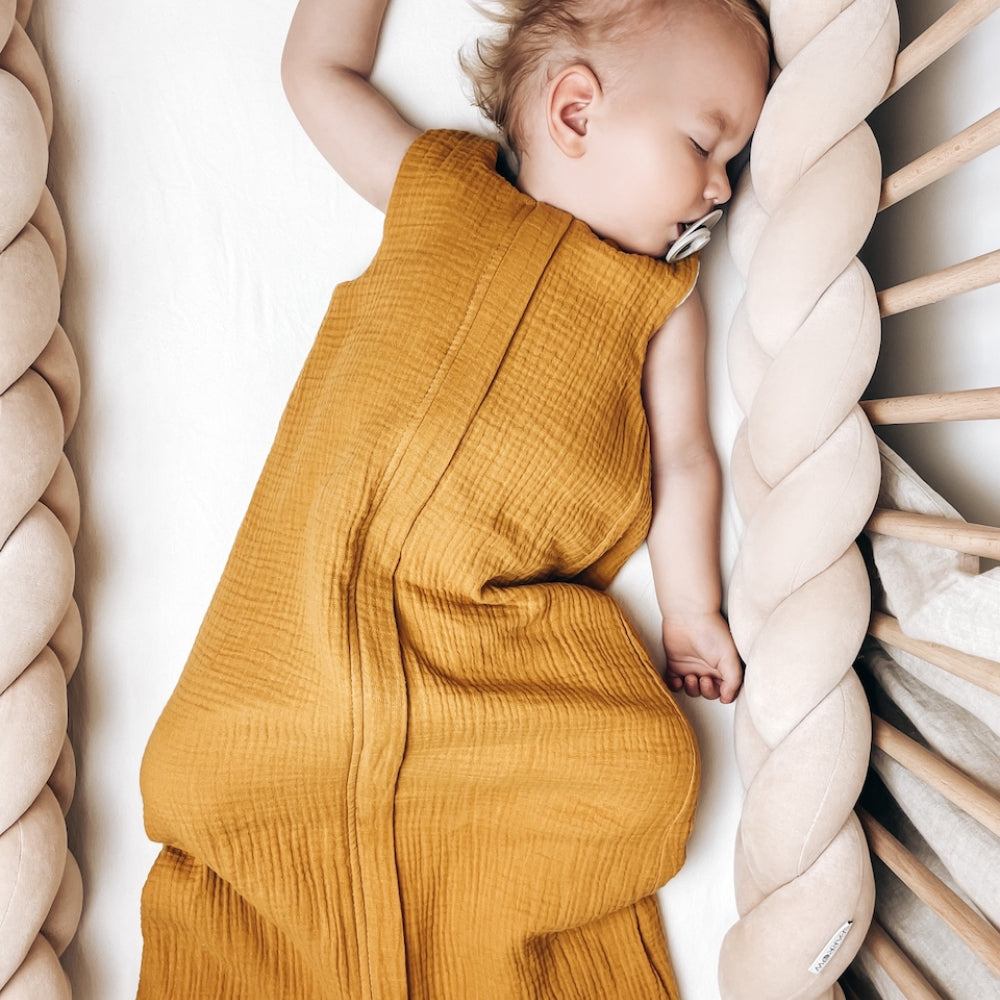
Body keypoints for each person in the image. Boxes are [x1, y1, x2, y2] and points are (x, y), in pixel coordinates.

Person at [137, 1, 769, 997]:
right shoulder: (435, 186)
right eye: (704, 144)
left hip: (493, 652)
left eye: (732, 160)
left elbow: (685, 459)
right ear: (574, 111)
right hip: (309, 623)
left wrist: (691, 615)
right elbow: (317, 73)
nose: (722, 187)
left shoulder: (662, 301)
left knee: (650, 761)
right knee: (231, 769)